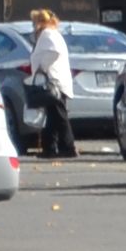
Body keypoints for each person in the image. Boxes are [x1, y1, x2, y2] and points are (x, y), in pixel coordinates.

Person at [24, 9, 77, 158]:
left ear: (40, 22)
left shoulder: (48, 34)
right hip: (55, 82)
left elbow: (55, 52)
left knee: (59, 116)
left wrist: (42, 67)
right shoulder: (51, 34)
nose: (33, 25)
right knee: (53, 117)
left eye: (34, 21)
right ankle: (50, 148)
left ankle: (68, 147)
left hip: (53, 83)